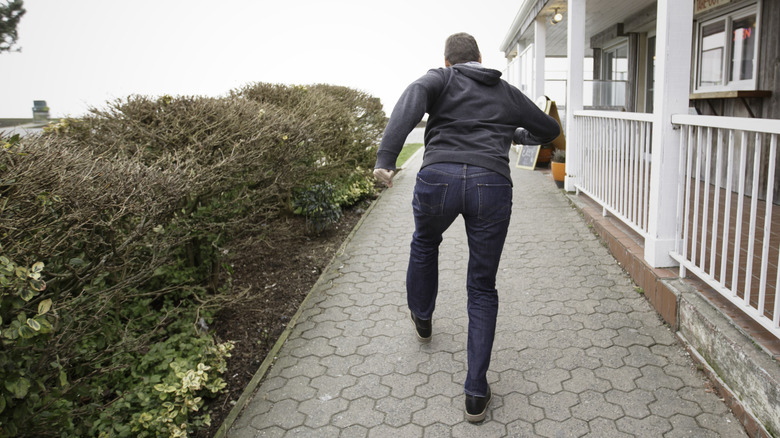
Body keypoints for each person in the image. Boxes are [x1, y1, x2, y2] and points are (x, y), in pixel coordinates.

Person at [373, 32, 561, 423]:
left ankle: (422, 317)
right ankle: (476, 392)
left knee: (425, 244)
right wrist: (518, 134)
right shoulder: (505, 91)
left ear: (448, 61)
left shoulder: (441, 79)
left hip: (437, 178)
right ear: (479, 58)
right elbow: (548, 129)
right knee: (481, 284)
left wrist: (387, 158)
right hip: (490, 183)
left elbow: (413, 95)